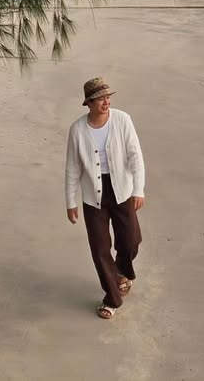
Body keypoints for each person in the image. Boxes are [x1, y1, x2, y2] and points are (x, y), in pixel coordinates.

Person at [65, 77, 145, 319]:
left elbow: (135, 156)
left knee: (130, 241)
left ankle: (122, 272)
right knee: (100, 249)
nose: (106, 102)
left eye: (108, 97)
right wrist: (70, 202)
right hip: (93, 197)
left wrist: (138, 189)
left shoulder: (122, 120)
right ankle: (112, 299)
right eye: (100, 98)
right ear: (89, 103)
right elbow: (73, 168)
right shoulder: (77, 130)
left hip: (122, 190)